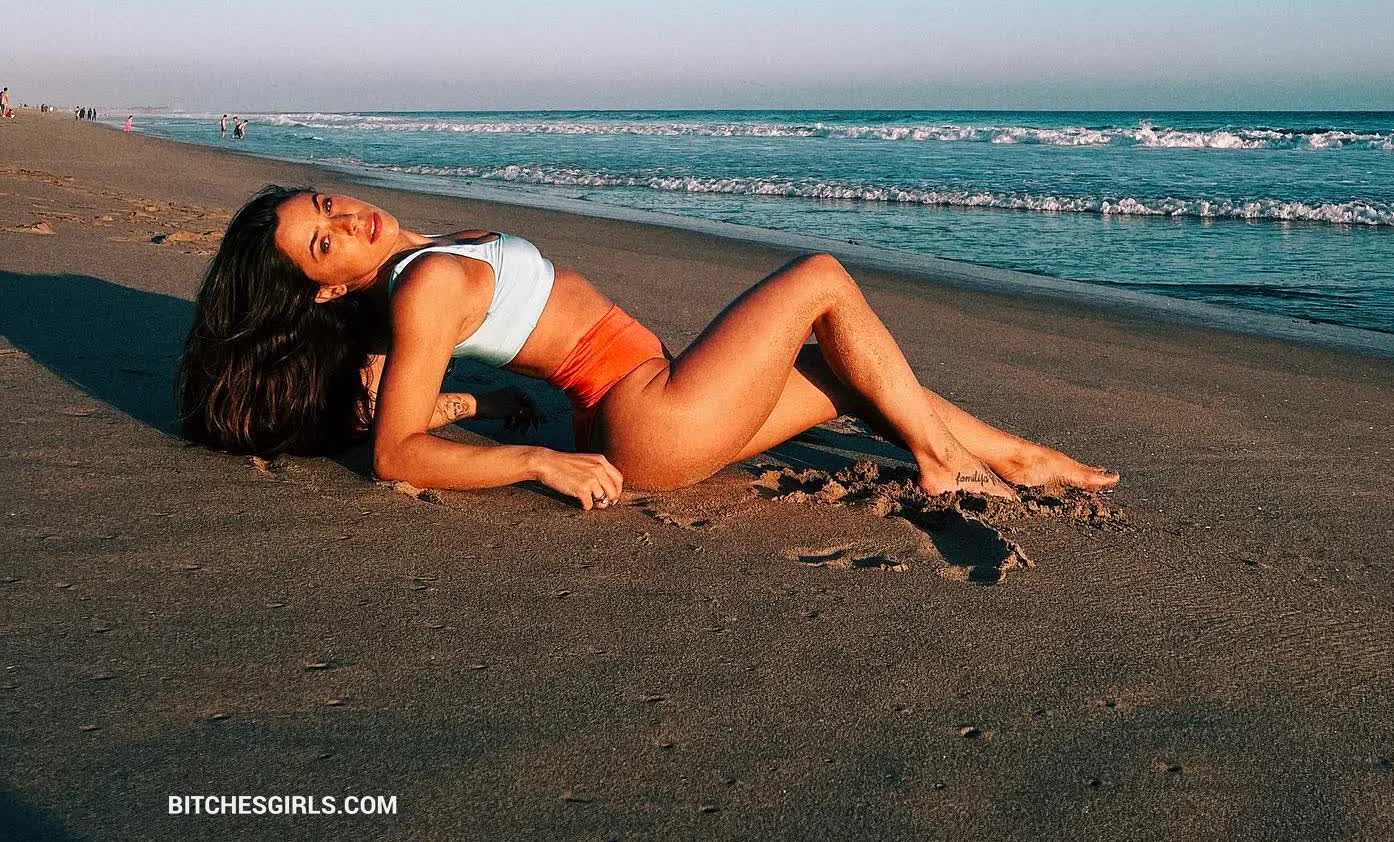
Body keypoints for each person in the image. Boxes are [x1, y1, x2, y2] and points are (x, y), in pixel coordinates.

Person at [178, 186, 1118, 512]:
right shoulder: (421, 289)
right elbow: (395, 454)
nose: (347, 220)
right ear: (326, 285)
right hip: (650, 415)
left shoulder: (419, 269)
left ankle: (1015, 457)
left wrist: (476, 404)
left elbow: (408, 400)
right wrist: (537, 460)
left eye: (327, 207)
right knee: (823, 279)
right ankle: (941, 462)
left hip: (647, 405)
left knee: (848, 375)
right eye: (324, 242)